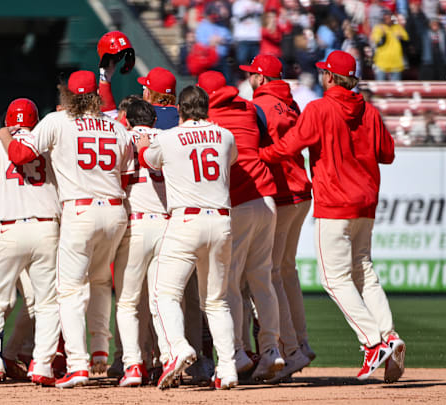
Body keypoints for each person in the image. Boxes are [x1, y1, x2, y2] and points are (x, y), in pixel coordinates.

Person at [259, 50, 405, 383]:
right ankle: (389, 334)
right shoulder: (369, 110)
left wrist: (259, 154)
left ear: (329, 77)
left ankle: (372, 342)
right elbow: (388, 154)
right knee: (363, 270)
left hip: (335, 201)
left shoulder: (320, 108)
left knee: (334, 279)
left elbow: (289, 147)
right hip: (366, 202)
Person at [0, 71, 133, 389]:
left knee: (69, 291)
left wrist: (4, 135)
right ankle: (100, 349)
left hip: (80, 209)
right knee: (100, 281)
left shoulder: (57, 122)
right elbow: (126, 176)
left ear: (68, 96)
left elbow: (20, 155)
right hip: (115, 209)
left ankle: (78, 364)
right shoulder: (116, 126)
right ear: (97, 97)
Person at [135, 85, 238, 390]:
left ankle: (179, 348)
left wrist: (142, 142)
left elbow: (147, 160)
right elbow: (229, 160)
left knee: (164, 294)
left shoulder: (167, 138)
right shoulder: (225, 135)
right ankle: (228, 369)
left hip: (186, 220)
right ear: (206, 108)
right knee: (216, 302)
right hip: (221, 220)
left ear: (180, 109)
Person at [0, 98, 61, 387]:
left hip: (6, 229)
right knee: (47, 302)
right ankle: (42, 364)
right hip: (48, 227)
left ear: (6, 120)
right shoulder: (48, 148)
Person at [197, 70, 284, 383]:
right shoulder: (248, 108)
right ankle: (272, 348)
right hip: (267, 198)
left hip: (239, 202)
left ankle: (236, 351)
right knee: (262, 280)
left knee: (228, 283)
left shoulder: (207, 118)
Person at [243, 55, 315, 383]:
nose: (250, 80)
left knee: (270, 275)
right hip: (302, 191)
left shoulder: (260, 105)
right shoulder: (291, 103)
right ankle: (300, 341)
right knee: (286, 271)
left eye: (252, 75)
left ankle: (289, 350)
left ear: (260, 77)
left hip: (282, 192)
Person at [112, 99, 167, 387]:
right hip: (166, 225)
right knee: (163, 299)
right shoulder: (168, 138)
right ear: (154, 120)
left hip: (135, 223)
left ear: (128, 120)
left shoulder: (120, 137)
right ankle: (167, 359)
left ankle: (133, 364)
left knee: (128, 302)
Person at [371, 10, 409, 81]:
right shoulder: (378, 28)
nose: (388, 19)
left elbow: (406, 42)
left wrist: (401, 39)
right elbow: (378, 44)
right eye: (386, 17)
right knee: (380, 88)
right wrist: (384, 36)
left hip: (396, 63)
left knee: (396, 88)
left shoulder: (398, 28)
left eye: (389, 17)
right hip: (381, 63)